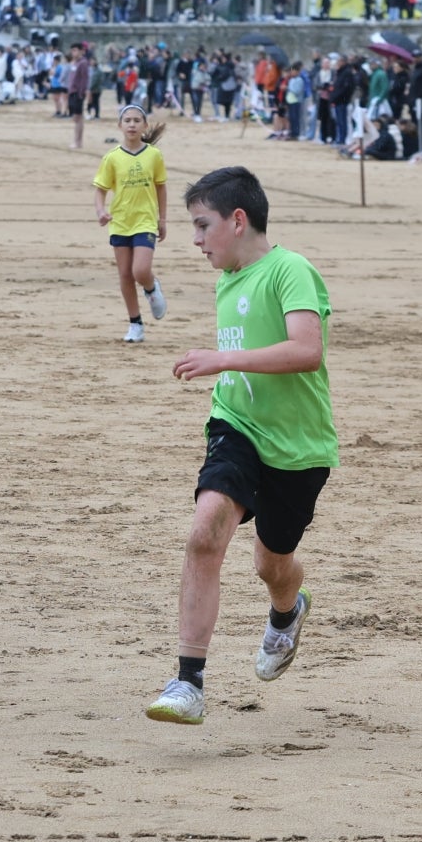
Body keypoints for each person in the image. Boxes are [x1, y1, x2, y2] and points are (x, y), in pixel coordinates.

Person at [145, 166, 337, 726]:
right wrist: (225, 371)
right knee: (205, 532)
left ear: (237, 219)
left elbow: (307, 350)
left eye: (202, 225)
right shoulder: (227, 276)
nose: (196, 240)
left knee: (272, 564)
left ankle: (286, 611)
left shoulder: (290, 269)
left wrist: (223, 358)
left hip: (300, 446)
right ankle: (187, 682)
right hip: (236, 425)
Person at [92, 104, 168, 344]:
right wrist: (101, 211)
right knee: (125, 274)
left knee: (140, 271)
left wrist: (162, 219)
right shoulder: (112, 157)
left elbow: (161, 187)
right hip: (120, 222)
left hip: (145, 221)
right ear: (120, 126)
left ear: (145, 125)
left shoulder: (153, 155)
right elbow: (100, 190)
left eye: (137, 120)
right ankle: (135, 323)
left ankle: (151, 288)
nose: (132, 125)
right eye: (127, 120)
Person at [67, 42, 90, 149]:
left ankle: (78, 141)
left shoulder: (83, 63)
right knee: (76, 117)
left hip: (77, 93)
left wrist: (81, 93)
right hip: (72, 92)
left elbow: (84, 79)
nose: (73, 53)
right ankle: (77, 141)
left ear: (81, 51)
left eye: (75, 50)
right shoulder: (74, 63)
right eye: (72, 50)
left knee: (78, 117)